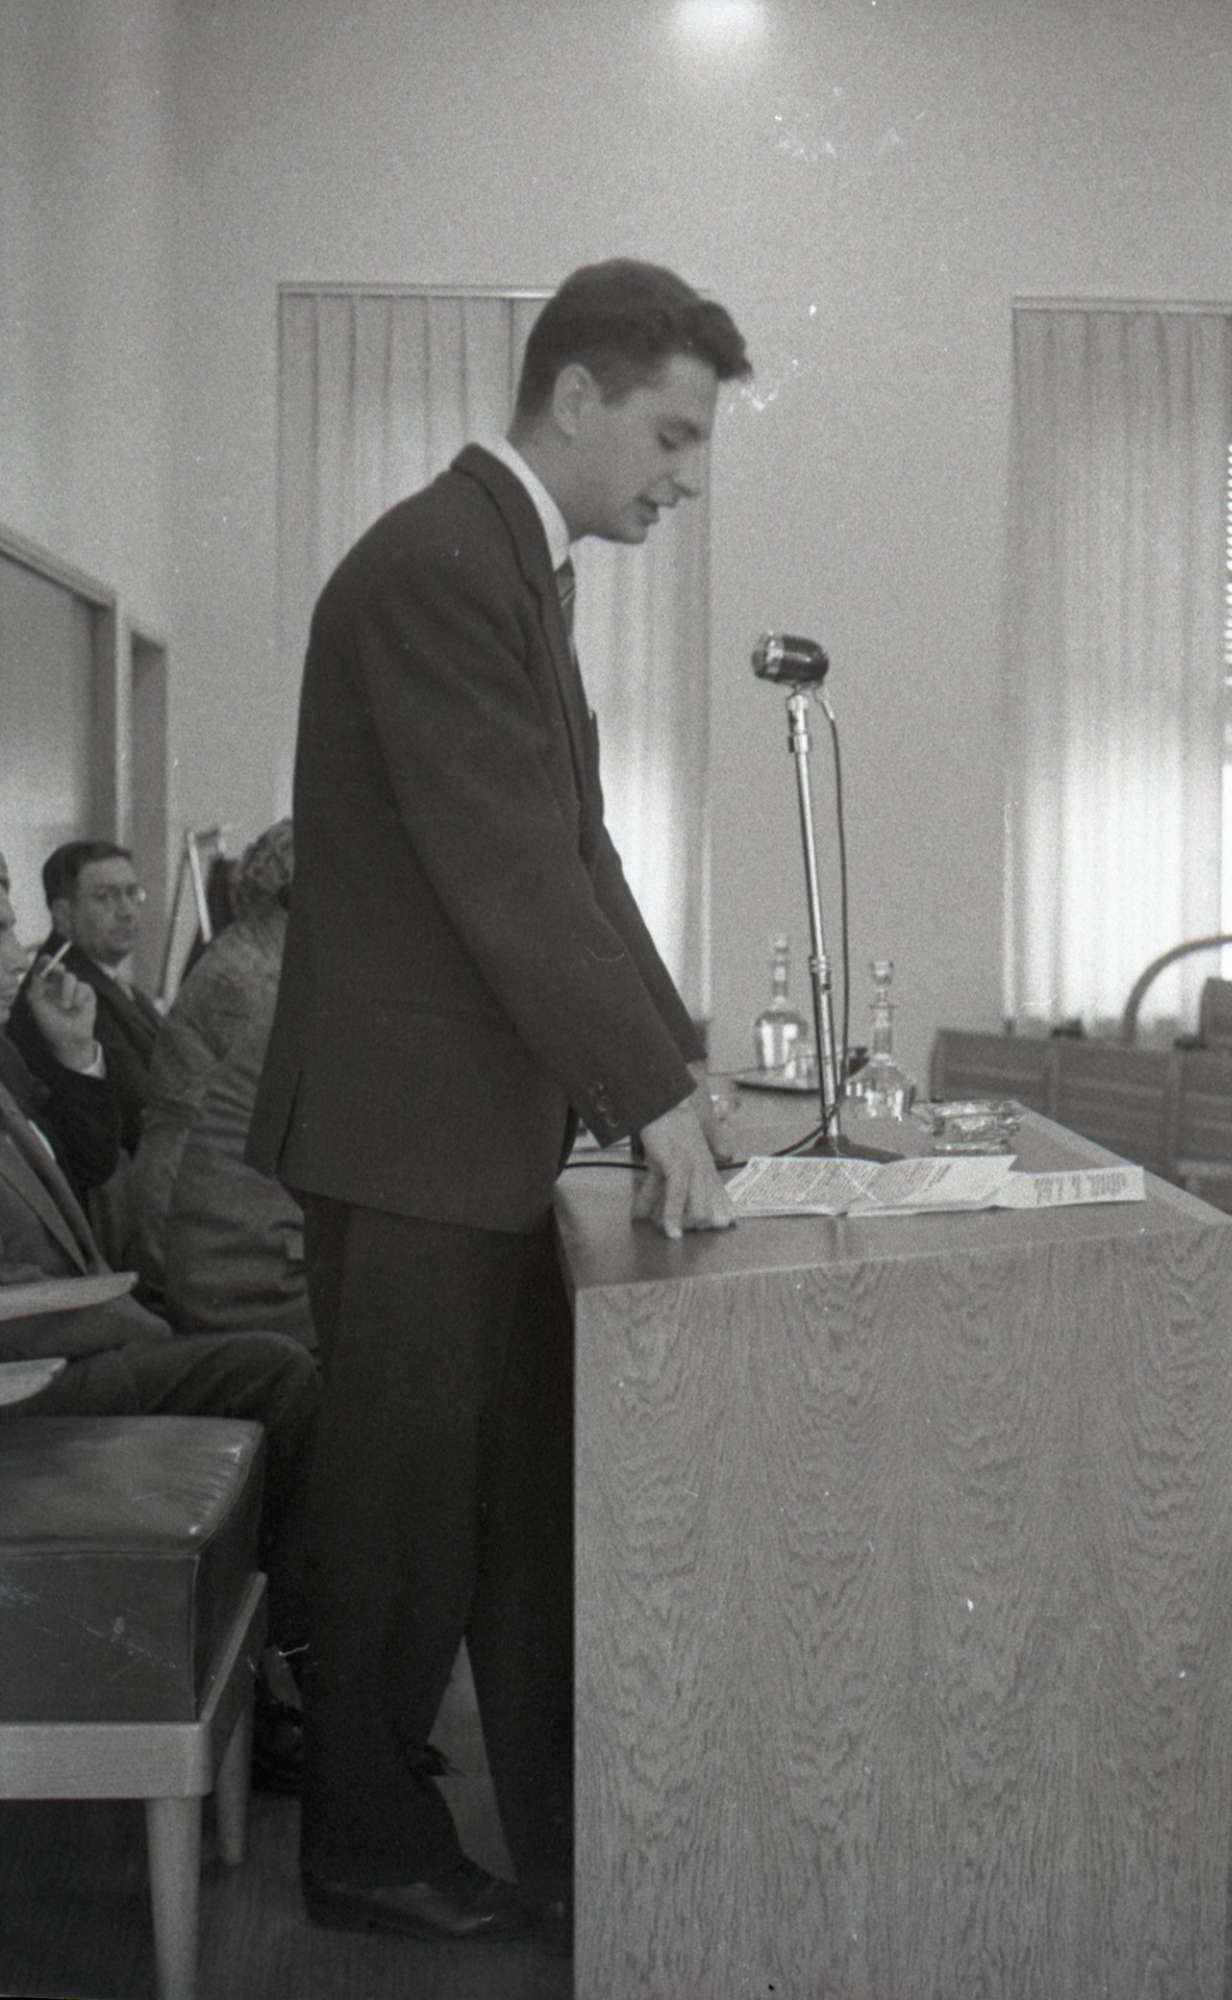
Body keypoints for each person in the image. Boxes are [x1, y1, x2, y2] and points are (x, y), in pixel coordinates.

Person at [248, 257, 751, 1946]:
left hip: (458, 1134)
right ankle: (366, 1849)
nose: (684, 477)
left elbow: (580, 855)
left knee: (506, 1498)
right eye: (670, 435)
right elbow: (507, 870)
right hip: (407, 1138)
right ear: (578, 397)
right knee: (404, 1512)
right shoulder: (439, 564)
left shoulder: (509, 568)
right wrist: (644, 1097)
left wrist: (674, 1066)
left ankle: (555, 1836)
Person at [0, 853, 318, 1789]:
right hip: (30, 1379)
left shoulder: (10, 1053)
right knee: (276, 1370)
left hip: (71, 1333)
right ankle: (293, 1682)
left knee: (277, 1358)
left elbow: (89, 1200)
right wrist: (129, 1321)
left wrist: (74, 1061)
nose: (18, 952)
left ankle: (282, 1673)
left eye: (10, 923)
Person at [131, 820, 312, 1346]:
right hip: (206, 1241)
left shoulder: (249, 959)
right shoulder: (248, 981)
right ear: (299, 897)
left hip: (213, 1222)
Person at [7, 839, 161, 1160]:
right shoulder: (64, 992)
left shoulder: (109, 978)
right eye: (105, 897)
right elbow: (138, 1108)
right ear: (63, 915)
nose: (127, 911)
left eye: (132, 893)